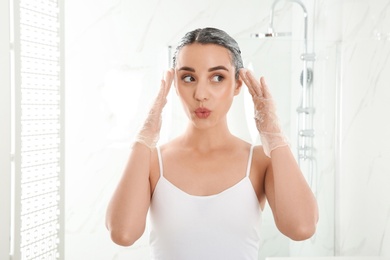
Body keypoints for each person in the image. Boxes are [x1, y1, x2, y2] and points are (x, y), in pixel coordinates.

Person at [105, 27, 318, 259]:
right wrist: (144, 138)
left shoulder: (259, 161)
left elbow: (301, 227)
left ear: (237, 85)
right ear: (175, 84)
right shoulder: (152, 161)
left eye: (217, 77)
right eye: (188, 78)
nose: (201, 94)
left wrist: (274, 135)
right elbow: (122, 233)